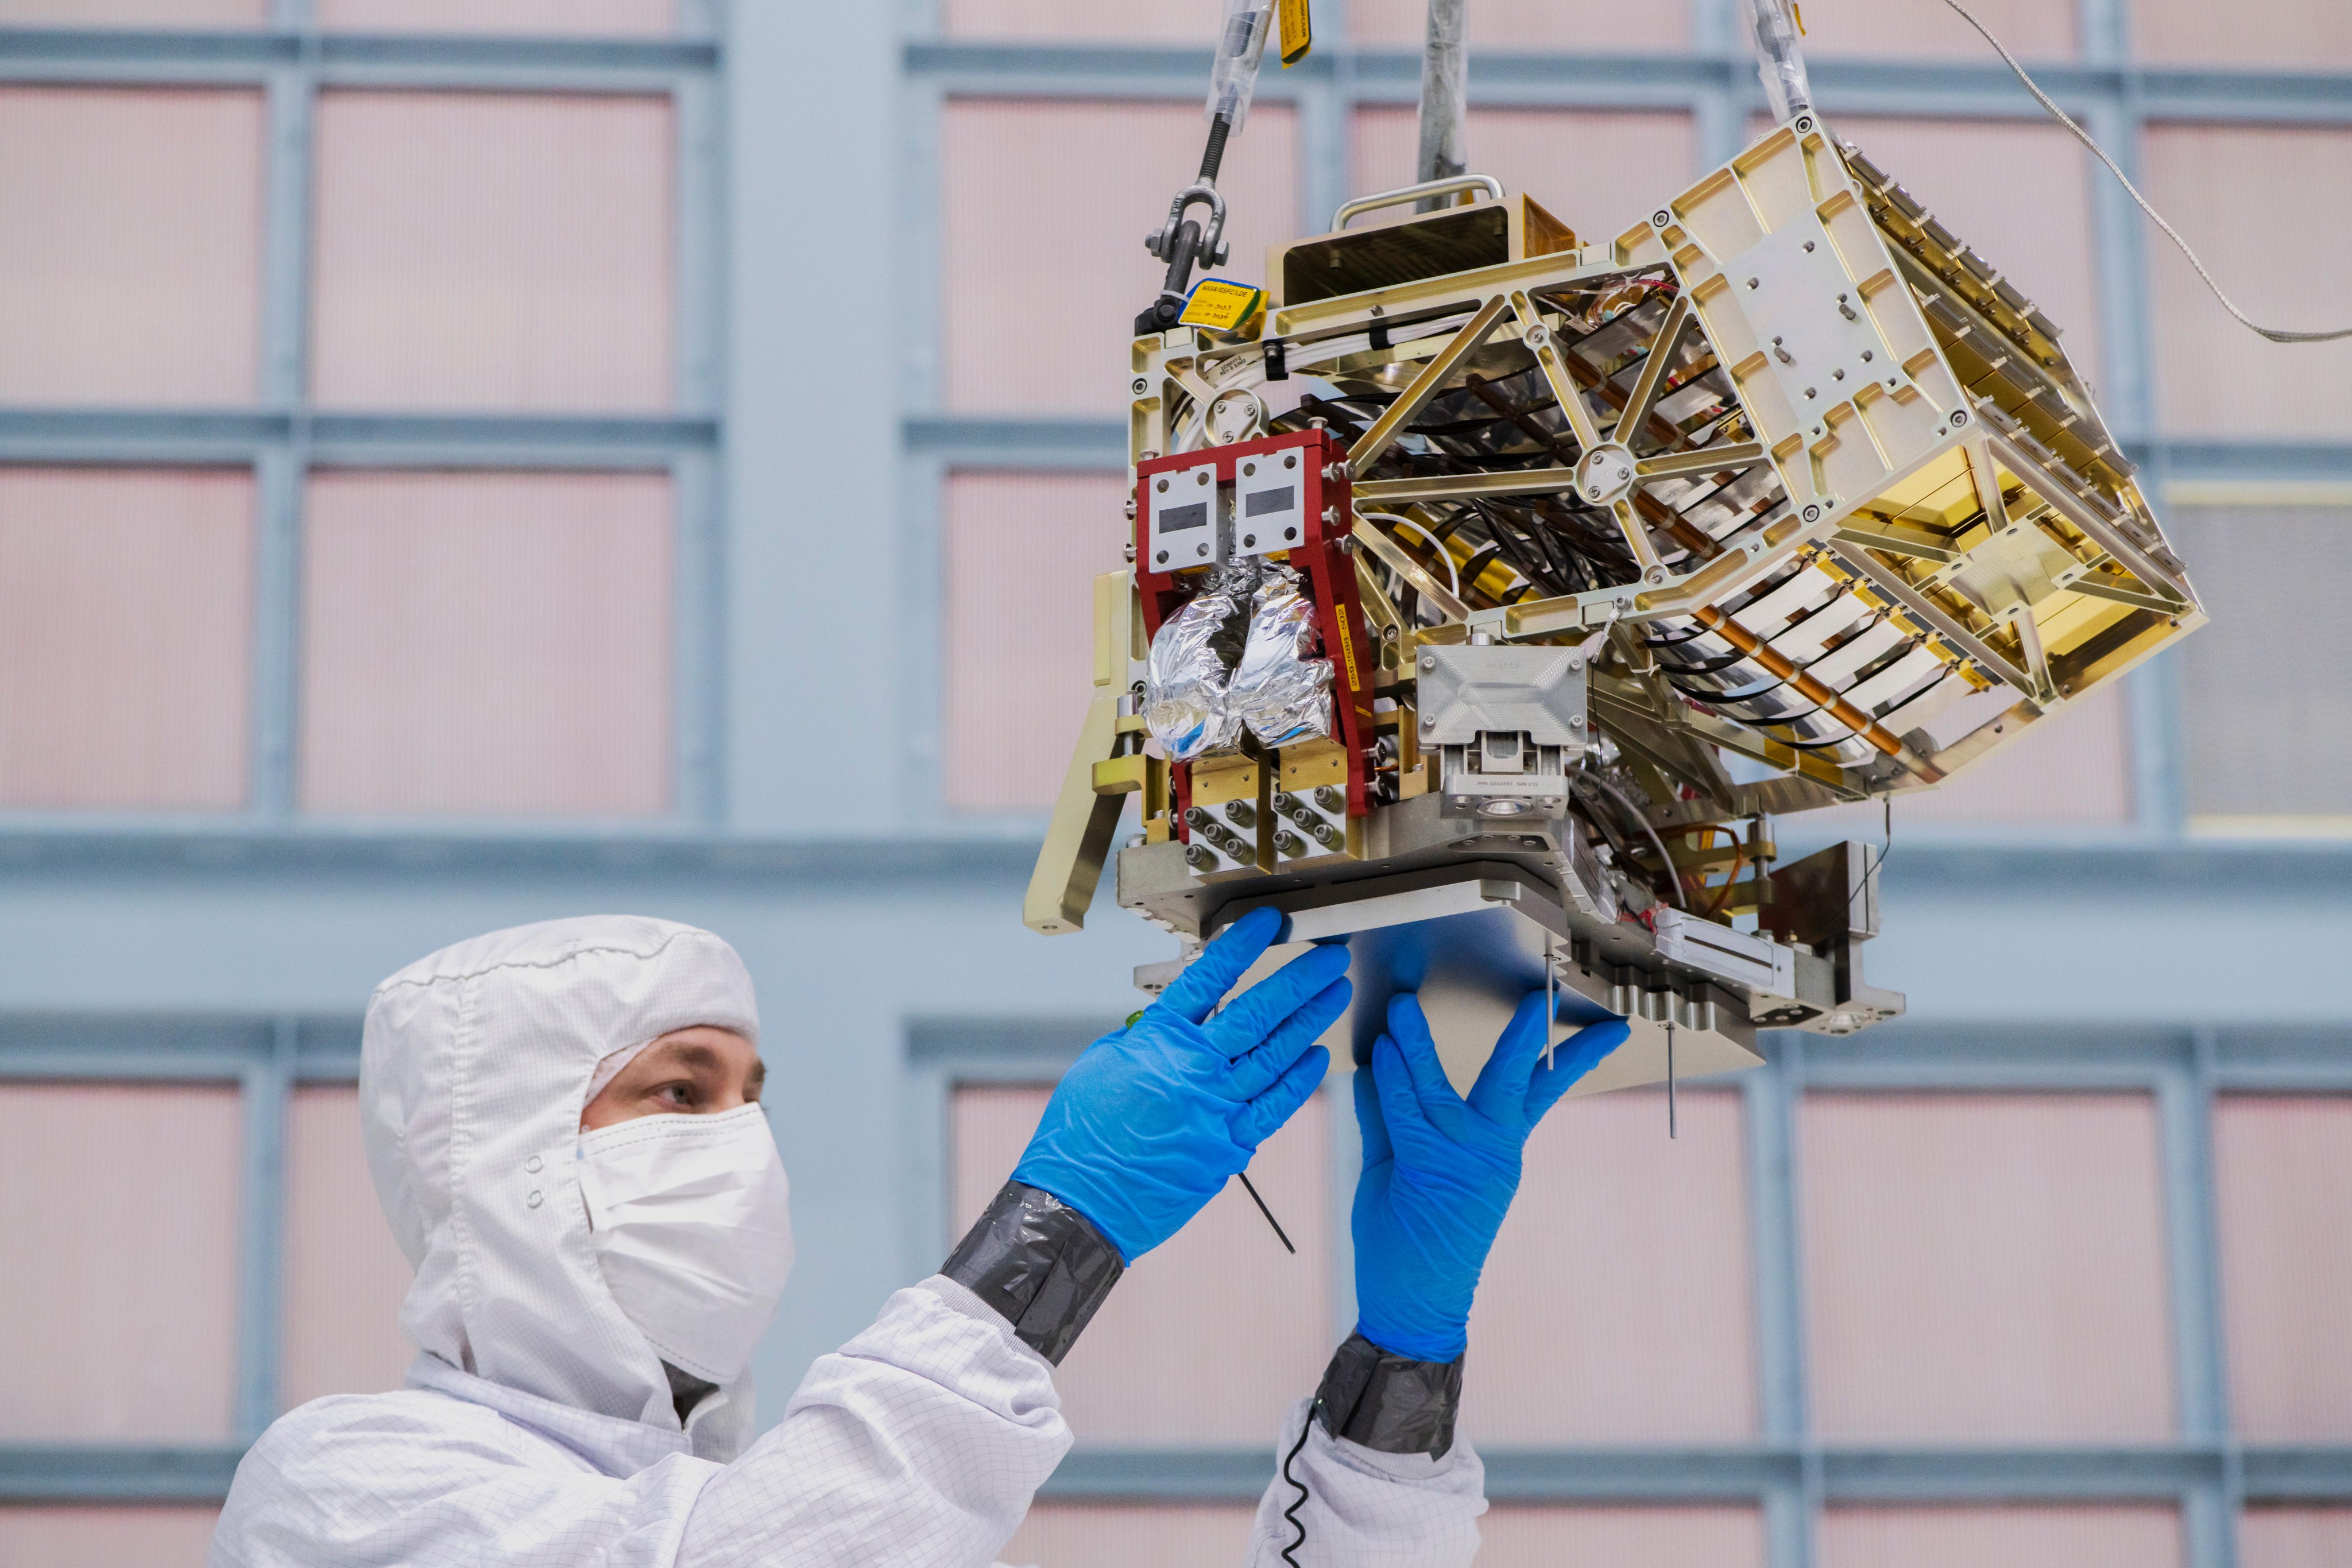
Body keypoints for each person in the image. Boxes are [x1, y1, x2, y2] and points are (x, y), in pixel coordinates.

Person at [211, 910, 1624, 1567]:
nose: (739, 1139)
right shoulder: (344, 1492)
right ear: (505, 1152)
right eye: (676, 1090)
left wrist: (1399, 1380)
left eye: (749, 1094)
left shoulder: (721, 1502)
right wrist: (1050, 1239)